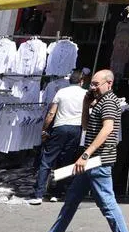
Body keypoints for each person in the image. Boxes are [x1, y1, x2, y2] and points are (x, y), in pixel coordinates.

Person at [20, 70, 129, 232]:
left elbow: (107, 130)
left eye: (96, 84)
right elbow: (85, 126)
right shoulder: (99, 101)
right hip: (89, 163)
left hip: (98, 162)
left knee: (107, 204)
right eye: (91, 84)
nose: (93, 87)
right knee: (70, 204)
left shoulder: (108, 102)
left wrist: (86, 154)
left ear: (109, 83)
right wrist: (85, 105)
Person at [31, 69, 88, 205]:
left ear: (69, 81)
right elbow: (86, 113)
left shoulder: (61, 92)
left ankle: (39, 194)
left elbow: (51, 113)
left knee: (47, 160)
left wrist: (44, 129)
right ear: (82, 81)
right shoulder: (85, 94)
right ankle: (57, 193)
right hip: (75, 129)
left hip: (60, 127)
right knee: (66, 161)